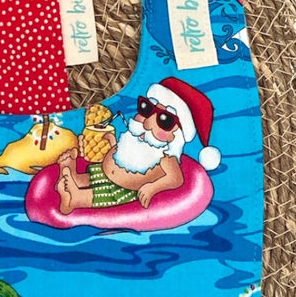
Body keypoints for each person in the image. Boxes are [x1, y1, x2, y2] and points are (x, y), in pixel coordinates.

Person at [56, 77, 221, 214]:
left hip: (126, 188)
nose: (147, 123)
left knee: (109, 193)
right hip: (108, 172)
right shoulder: (135, 138)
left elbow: (175, 179)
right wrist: (113, 143)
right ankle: (76, 178)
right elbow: (125, 153)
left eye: (164, 120)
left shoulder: (165, 156)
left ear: (175, 136)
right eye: (147, 109)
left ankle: (74, 199)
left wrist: (152, 187)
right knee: (98, 173)